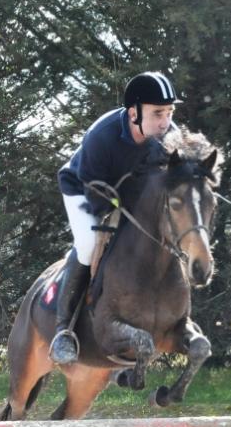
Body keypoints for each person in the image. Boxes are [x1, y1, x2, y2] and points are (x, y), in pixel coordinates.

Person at [50, 72, 181, 364]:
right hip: (85, 189)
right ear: (134, 113)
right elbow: (93, 186)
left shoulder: (168, 135)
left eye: (170, 112)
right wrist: (116, 215)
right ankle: (63, 331)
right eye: (157, 113)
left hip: (129, 195)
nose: (165, 121)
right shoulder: (102, 135)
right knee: (87, 245)